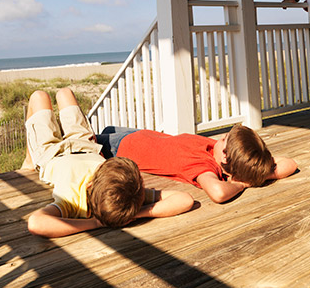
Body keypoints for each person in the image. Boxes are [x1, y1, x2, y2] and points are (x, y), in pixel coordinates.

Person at [21, 88, 194, 238]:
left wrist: (95, 223)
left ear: (89, 185)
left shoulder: (73, 199)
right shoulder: (125, 191)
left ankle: (30, 160)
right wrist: (139, 213)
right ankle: (30, 158)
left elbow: (36, 223)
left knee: (39, 96)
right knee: (65, 93)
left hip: (52, 153)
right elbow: (185, 199)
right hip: (86, 146)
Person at [96, 124, 297, 204]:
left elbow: (218, 193)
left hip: (120, 148)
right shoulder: (222, 155)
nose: (220, 138)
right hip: (142, 135)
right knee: (106, 127)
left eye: (223, 139)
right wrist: (256, 174)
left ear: (226, 157)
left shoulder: (203, 166)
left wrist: (242, 183)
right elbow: (290, 163)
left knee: (78, 140)